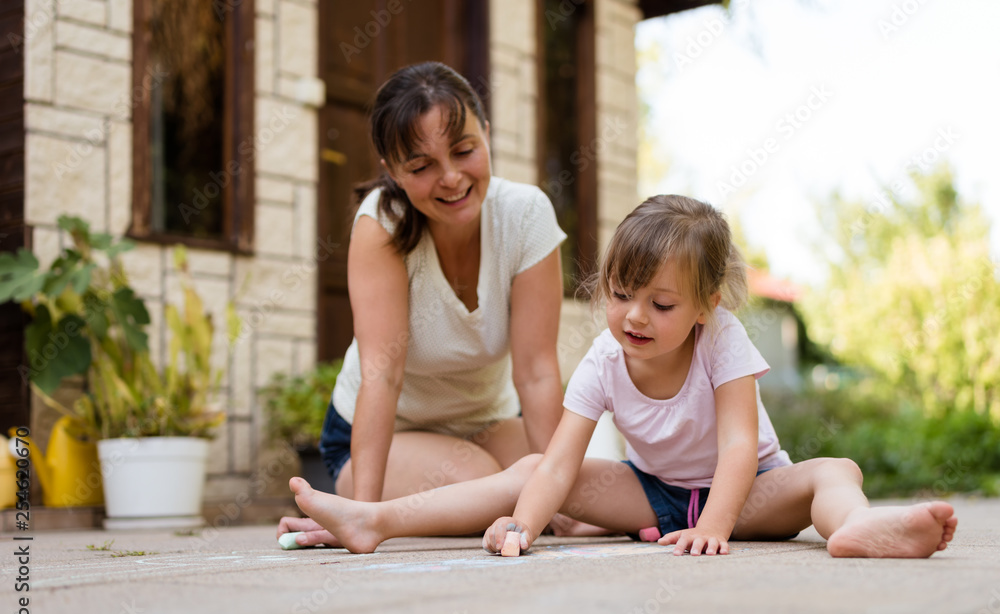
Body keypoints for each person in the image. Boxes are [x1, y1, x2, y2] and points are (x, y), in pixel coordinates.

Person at [286, 194, 959, 558]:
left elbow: (735, 447)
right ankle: (376, 520)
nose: (634, 316)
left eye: (660, 304)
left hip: (751, 493)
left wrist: (717, 525)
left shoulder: (723, 342)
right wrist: (522, 523)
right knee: (529, 471)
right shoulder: (605, 358)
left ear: (705, 305)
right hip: (659, 498)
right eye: (619, 293)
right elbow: (558, 465)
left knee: (834, 469)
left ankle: (859, 529)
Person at [277, 62, 568, 548]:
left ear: (487, 134)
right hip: (386, 438)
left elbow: (536, 372)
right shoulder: (382, 226)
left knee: (575, 473)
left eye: (464, 150)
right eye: (422, 165)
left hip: (486, 424)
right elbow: (382, 374)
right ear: (392, 172)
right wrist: (361, 516)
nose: (451, 177)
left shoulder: (526, 214)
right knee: (490, 482)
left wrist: (560, 500)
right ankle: (372, 511)